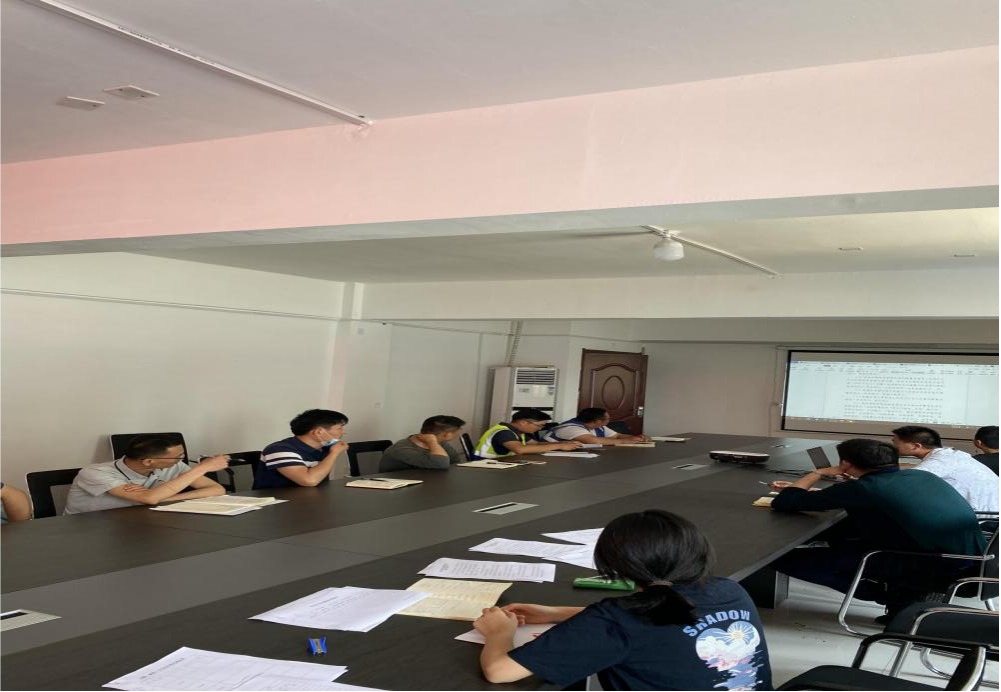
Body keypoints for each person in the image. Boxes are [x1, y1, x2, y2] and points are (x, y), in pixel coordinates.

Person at [472, 510, 772, 690]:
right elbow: (663, 619)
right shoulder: (728, 590)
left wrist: (499, 633)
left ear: (615, 568)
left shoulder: (617, 620)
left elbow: (499, 672)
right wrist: (556, 613)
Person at [769, 438, 986, 623]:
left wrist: (818, 472)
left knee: (783, 559)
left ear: (845, 464)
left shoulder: (865, 488)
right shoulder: (922, 476)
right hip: (972, 559)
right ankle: (903, 594)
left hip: (932, 564)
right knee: (845, 534)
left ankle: (893, 595)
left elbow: (786, 501)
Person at [64, 434, 228, 515]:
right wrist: (202, 468)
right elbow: (149, 499)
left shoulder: (173, 465)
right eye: (178, 456)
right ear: (149, 461)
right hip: (88, 529)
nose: (181, 459)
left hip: (137, 523)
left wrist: (162, 498)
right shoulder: (95, 473)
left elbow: (216, 490)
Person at [891, 425, 999, 513]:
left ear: (916, 446)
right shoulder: (950, 455)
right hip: (988, 514)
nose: (892, 446)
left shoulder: (940, 461)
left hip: (981, 520)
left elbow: (900, 484)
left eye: (895, 443)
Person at [255, 409, 350, 489]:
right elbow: (309, 481)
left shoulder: (325, 448)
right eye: (339, 428)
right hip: (277, 502)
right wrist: (334, 453)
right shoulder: (279, 449)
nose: (343, 432)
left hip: (311, 499)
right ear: (319, 432)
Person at [474, 409, 583, 459]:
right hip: (485, 466)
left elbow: (535, 444)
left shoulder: (518, 431)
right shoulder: (504, 432)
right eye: (539, 425)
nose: (540, 428)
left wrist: (562, 443)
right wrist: (558, 446)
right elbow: (520, 449)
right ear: (523, 422)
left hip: (500, 463)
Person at [380, 415, 467, 472]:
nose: (458, 434)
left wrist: (433, 442)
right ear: (448, 435)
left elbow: (455, 461)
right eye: (457, 432)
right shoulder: (401, 449)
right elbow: (441, 464)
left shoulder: (440, 443)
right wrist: (432, 442)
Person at [540, 407, 652, 446]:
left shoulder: (598, 426)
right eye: (608, 419)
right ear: (598, 421)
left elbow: (617, 436)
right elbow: (592, 440)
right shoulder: (570, 428)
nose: (609, 420)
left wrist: (637, 437)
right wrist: (626, 441)